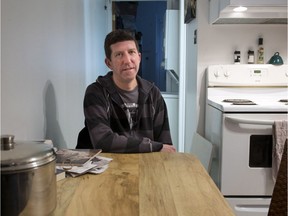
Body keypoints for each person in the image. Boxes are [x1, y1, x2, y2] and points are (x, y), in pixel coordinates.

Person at [83, 29, 176, 153]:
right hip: (110, 168)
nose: (127, 60)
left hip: (146, 166)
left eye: (131, 52)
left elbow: (166, 147)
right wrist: (152, 147)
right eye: (119, 55)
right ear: (109, 63)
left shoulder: (153, 94)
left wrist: (159, 148)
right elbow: (103, 141)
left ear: (139, 57)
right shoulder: (96, 93)